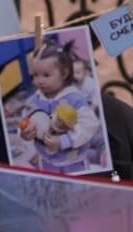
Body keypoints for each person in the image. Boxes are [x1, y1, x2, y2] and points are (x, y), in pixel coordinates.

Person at [13, 35, 106, 174]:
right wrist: (25, 132)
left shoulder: (75, 99)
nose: (39, 81)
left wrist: (64, 141)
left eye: (46, 75)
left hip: (75, 163)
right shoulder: (33, 101)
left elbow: (90, 125)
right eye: (35, 75)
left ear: (64, 73)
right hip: (46, 163)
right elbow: (25, 120)